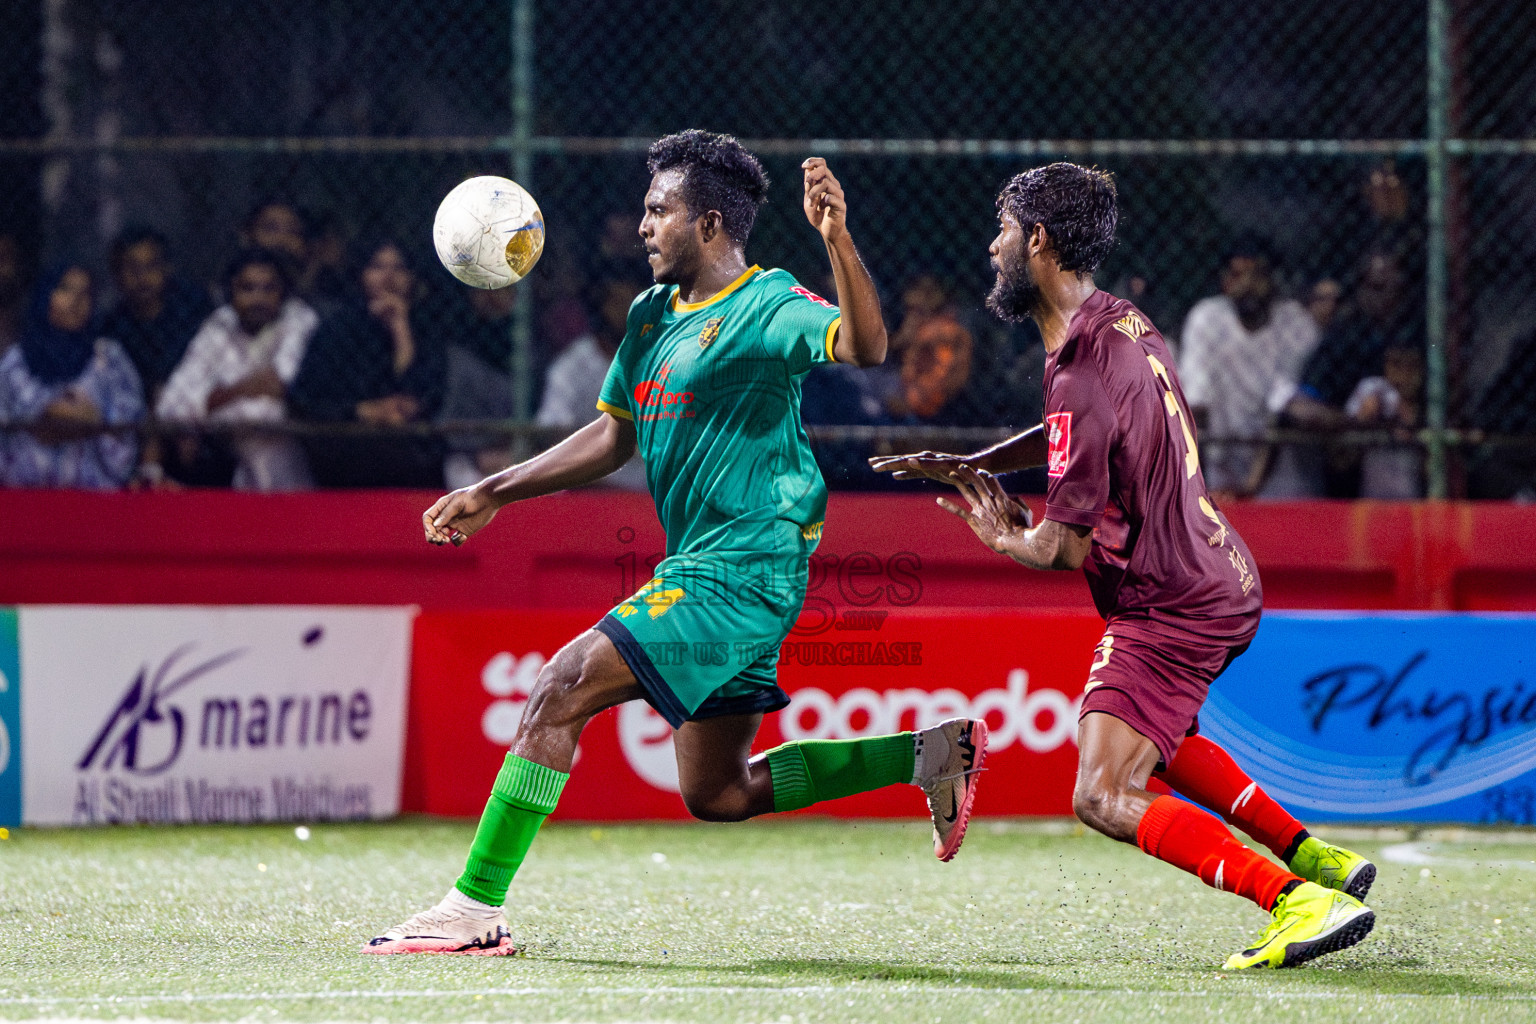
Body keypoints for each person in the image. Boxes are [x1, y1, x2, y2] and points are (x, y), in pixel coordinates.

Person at [364, 130, 987, 956]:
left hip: (747, 566)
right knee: (718, 792)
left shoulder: (767, 304)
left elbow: (867, 348)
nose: (642, 227)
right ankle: (932, 754)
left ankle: (471, 909)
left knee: (560, 685)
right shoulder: (653, 316)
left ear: (712, 224)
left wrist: (836, 240)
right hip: (704, 564)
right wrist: (495, 489)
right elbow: (613, 435)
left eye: (659, 211)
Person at [871, 162, 1376, 971]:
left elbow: (1061, 547)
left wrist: (1004, 535)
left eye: (1003, 229)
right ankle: (1317, 858)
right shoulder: (1123, 323)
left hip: (1166, 604)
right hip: (1222, 573)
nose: (991, 244)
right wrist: (978, 463)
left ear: (1037, 241)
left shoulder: (1075, 368)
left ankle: (1293, 901)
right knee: (1161, 738)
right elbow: (1077, 430)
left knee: (1102, 794)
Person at [288, 238, 446, 488]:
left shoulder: (424, 330)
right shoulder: (337, 328)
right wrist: (365, 410)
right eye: (378, 267)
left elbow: (425, 394)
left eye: (399, 268)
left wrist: (401, 331)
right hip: (347, 441)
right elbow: (308, 399)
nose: (389, 277)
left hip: (407, 445)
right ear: (361, 275)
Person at [155, 249, 316, 491]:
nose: (258, 299)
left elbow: (278, 387)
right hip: (230, 463)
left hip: (289, 466)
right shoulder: (220, 324)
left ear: (282, 293)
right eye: (248, 289)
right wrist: (243, 391)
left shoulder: (298, 319)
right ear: (231, 291)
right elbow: (170, 405)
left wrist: (210, 402)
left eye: (268, 289)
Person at [1177, 236, 1320, 497]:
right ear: (1225, 281)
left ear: (1273, 280)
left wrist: (1250, 488)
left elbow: (1283, 411)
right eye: (1238, 275)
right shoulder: (1207, 319)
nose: (1247, 285)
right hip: (1220, 469)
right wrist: (1197, 485)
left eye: (1257, 275)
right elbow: (1196, 407)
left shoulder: (1296, 324)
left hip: (1283, 478)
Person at [0, 262, 143, 488]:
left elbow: (127, 439)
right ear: (45, 296)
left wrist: (93, 422)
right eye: (65, 289)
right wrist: (51, 422)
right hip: (25, 501)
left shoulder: (110, 359)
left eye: (85, 293)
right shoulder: (15, 362)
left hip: (96, 502)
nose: (76, 301)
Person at [532, 275, 648, 490]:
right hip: (591, 486)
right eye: (618, 303)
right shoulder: (573, 365)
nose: (627, 312)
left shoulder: (661, 357)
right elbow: (552, 429)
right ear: (601, 308)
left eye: (634, 302)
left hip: (651, 490)